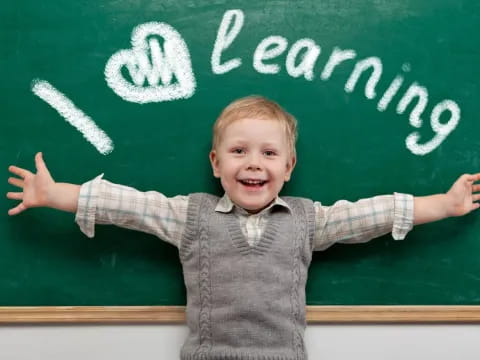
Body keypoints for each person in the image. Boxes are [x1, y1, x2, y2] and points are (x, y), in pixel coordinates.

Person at [6, 96, 480, 360]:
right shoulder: (189, 216)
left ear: (289, 166)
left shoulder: (306, 218)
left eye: (268, 154)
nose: (253, 164)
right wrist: (57, 194)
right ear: (216, 163)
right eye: (238, 152)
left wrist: (443, 203)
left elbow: (368, 215)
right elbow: (127, 205)